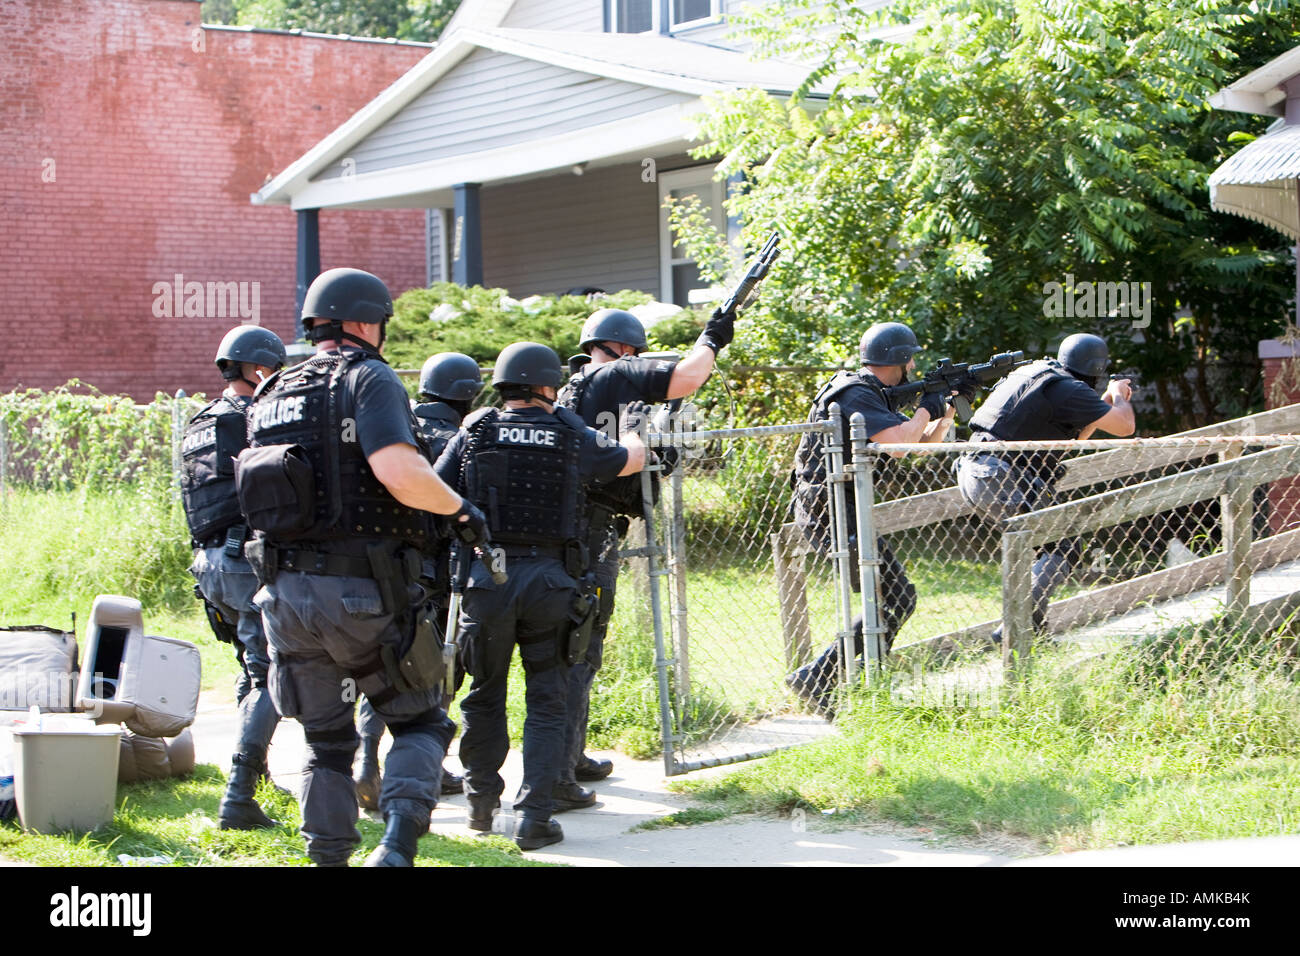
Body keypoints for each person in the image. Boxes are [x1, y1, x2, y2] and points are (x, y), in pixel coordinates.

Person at [239, 268, 488, 867]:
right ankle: (397, 849)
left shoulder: (270, 391)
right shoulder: (367, 377)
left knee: (326, 743)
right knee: (420, 721)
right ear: (361, 322)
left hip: (283, 597)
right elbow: (399, 473)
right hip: (362, 592)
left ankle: (328, 857)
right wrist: (461, 511)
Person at [435, 341, 644, 850]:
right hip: (553, 582)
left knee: (483, 695)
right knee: (547, 701)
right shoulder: (571, 432)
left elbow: (438, 488)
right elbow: (626, 461)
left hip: (487, 579)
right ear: (550, 385)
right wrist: (638, 429)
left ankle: (482, 808)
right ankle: (534, 818)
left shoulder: (476, 428)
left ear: (503, 384)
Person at [554, 305, 732, 796]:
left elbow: (621, 447)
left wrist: (656, 451)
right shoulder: (618, 372)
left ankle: (569, 754)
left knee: (570, 645)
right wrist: (713, 337)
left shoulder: (575, 389)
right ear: (626, 348)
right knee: (581, 647)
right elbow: (688, 377)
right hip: (591, 534)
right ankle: (559, 772)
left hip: (567, 530)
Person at [787, 321, 958, 716]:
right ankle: (822, 677)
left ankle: (846, 678)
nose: (914, 364)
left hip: (840, 506)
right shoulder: (856, 394)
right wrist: (923, 408)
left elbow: (919, 448)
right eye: (910, 357)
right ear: (897, 359)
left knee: (894, 596)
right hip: (827, 508)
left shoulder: (874, 393)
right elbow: (899, 445)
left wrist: (944, 413)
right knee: (894, 595)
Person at [353, 351, 483, 808]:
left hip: (385, 570)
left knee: (382, 667)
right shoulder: (462, 438)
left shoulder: (395, 429)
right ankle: (423, 764)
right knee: (439, 667)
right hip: (441, 575)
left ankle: (366, 761)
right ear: (468, 394)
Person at [955, 332, 1134, 640]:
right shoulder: (1069, 388)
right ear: (1097, 368)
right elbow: (1126, 426)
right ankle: (1015, 624)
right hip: (1001, 477)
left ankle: (1031, 631)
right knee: (1062, 547)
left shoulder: (1044, 376)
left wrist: (1100, 403)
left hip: (977, 471)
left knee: (1046, 547)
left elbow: (1075, 438)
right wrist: (1118, 393)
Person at [182, 324, 287, 830]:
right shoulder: (251, 419)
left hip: (209, 562)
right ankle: (239, 793)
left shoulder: (201, 420)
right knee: (270, 672)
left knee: (250, 668)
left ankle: (257, 776)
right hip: (244, 561)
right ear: (259, 369)